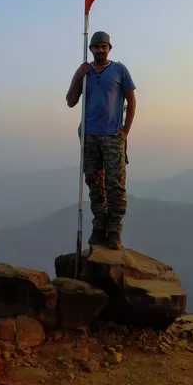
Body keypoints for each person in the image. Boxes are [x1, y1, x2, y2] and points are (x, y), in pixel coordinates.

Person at [65, 31, 136, 250]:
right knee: (95, 184)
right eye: (97, 47)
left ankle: (114, 230)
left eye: (104, 46)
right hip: (89, 134)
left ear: (109, 49)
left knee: (115, 184)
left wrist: (125, 131)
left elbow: (132, 100)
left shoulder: (119, 70)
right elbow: (70, 101)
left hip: (113, 136)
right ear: (91, 50)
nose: (100, 50)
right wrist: (78, 75)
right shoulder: (84, 73)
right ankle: (99, 226)